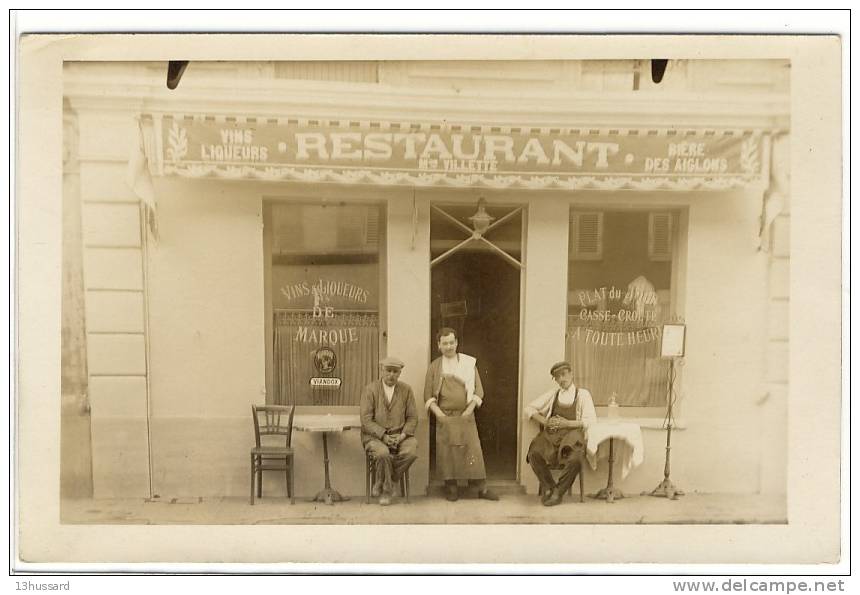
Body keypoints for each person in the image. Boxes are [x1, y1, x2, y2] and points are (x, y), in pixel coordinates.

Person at [423, 327, 499, 502]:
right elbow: (427, 396)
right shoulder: (434, 367)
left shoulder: (468, 363)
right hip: (445, 416)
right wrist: (440, 415)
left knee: (473, 452)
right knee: (447, 453)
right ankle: (451, 487)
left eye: (451, 342)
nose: (448, 346)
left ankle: (481, 488)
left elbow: (479, 391)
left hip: (466, 415)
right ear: (438, 345)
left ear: (456, 343)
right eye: (444, 343)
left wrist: (468, 411)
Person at [524, 361, 597, 506]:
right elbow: (529, 409)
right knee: (533, 453)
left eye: (563, 375)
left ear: (571, 374)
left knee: (576, 458)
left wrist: (567, 424)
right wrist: (545, 422)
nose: (561, 379)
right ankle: (551, 487)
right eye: (557, 377)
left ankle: (558, 492)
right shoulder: (553, 394)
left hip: (573, 434)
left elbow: (590, 421)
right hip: (552, 435)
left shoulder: (583, 394)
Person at [360, 356, 419, 506]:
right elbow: (366, 420)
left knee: (411, 452)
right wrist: (383, 436)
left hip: (401, 436)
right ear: (382, 370)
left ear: (400, 373)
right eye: (388, 370)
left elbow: (412, 418)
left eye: (395, 372)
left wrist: (403, 435)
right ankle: (387, 492)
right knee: (383, 453)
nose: (391, 375)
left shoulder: (406, 390)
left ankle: (385, 482)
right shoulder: (370, 389)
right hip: (375, 437)